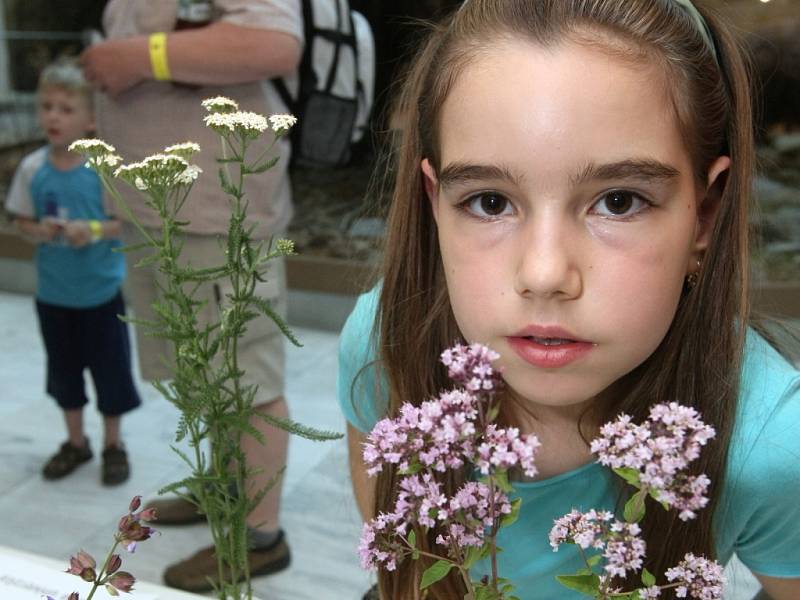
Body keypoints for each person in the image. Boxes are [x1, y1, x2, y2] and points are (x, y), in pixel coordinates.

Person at [337, 1, 800, 599]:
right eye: (490, 202)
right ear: (434, 203)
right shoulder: (385, 346)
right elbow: (400, 570)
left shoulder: (768, 447)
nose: (546, 273)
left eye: (619, 201)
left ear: (704, 216)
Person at [79, 0, 301, 592]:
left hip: (214, 210)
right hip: (159, 204)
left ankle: (259, 537)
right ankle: (224, 490)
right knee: (198, 367)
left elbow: (275, 42)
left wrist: (139, 56)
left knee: (243, 376)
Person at [4, 57, 140, 487]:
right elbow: (19, 220)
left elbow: (129, 222)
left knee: (110, 373)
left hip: (101, 297)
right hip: (54, 297)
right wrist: (38, 232)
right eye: (47, 107)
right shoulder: (32, 169)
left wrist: (94, 229)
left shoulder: (104, 169)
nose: (53, 117)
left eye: (66, 109)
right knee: (64, 373)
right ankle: (75, 441)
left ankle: (113, 444)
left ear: (92, 118)